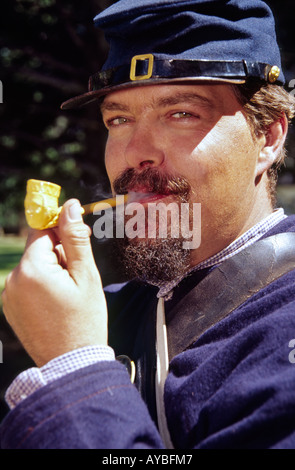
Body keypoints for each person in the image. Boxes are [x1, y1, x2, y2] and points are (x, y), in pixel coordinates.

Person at [1, 0, 295, 449]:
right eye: (118, 119)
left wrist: (76, 369)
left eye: (180, 113)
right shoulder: (99, 313)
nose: (136, 152)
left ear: (268, 138)